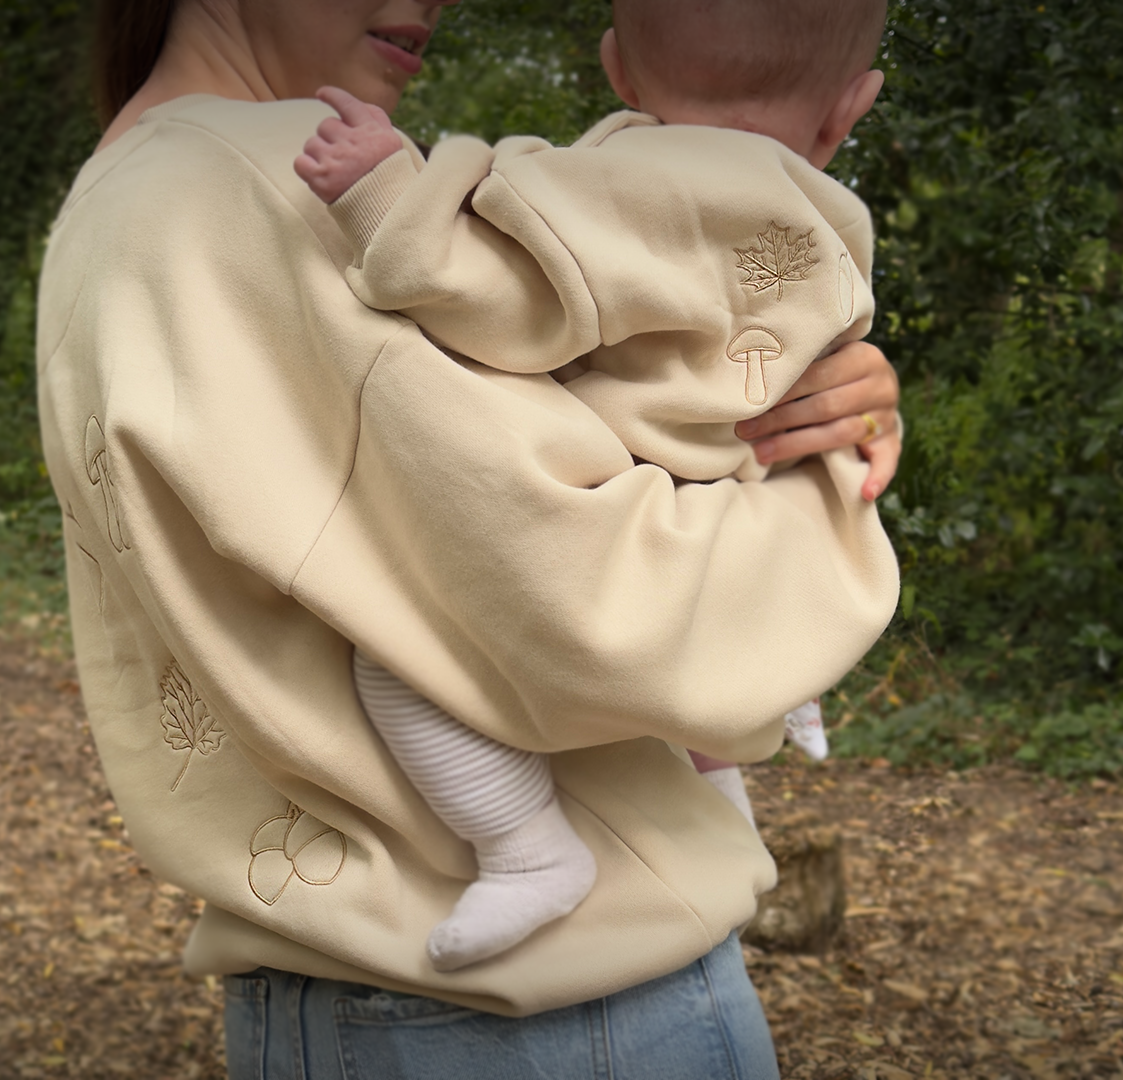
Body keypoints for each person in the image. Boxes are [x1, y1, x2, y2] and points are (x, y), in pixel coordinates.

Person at [44, 0, 903, 1075]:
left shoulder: (126, 190)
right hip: (545, 1019)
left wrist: (788, 387)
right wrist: (825, 482)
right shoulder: (275, 184)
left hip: (357, 994)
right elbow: (586, 605)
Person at [294, 0, 889, 972]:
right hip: (737, 527)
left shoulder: (606, 194)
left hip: (614, 520)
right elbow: (831, 381)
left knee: (401, 651)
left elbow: (502, 306)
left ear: (618, 69)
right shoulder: (834, 229)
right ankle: (763, 736)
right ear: (848, 109)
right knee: (689, 704)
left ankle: (529, 850)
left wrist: (385, 194)